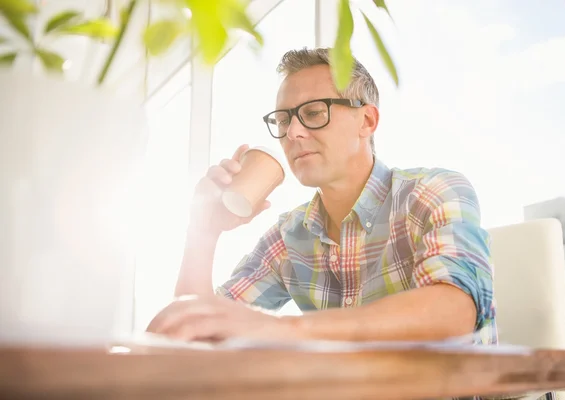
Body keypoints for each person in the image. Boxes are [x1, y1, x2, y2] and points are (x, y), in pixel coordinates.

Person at [146, 47, 497, 346]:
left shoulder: (432, 192)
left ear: (367, 121)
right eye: (283, 120)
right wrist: (202, 232)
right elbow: (197, 332)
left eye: (313, 113)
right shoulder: (289, 236)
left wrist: (284, 330)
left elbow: (453, 311)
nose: (293, 133)